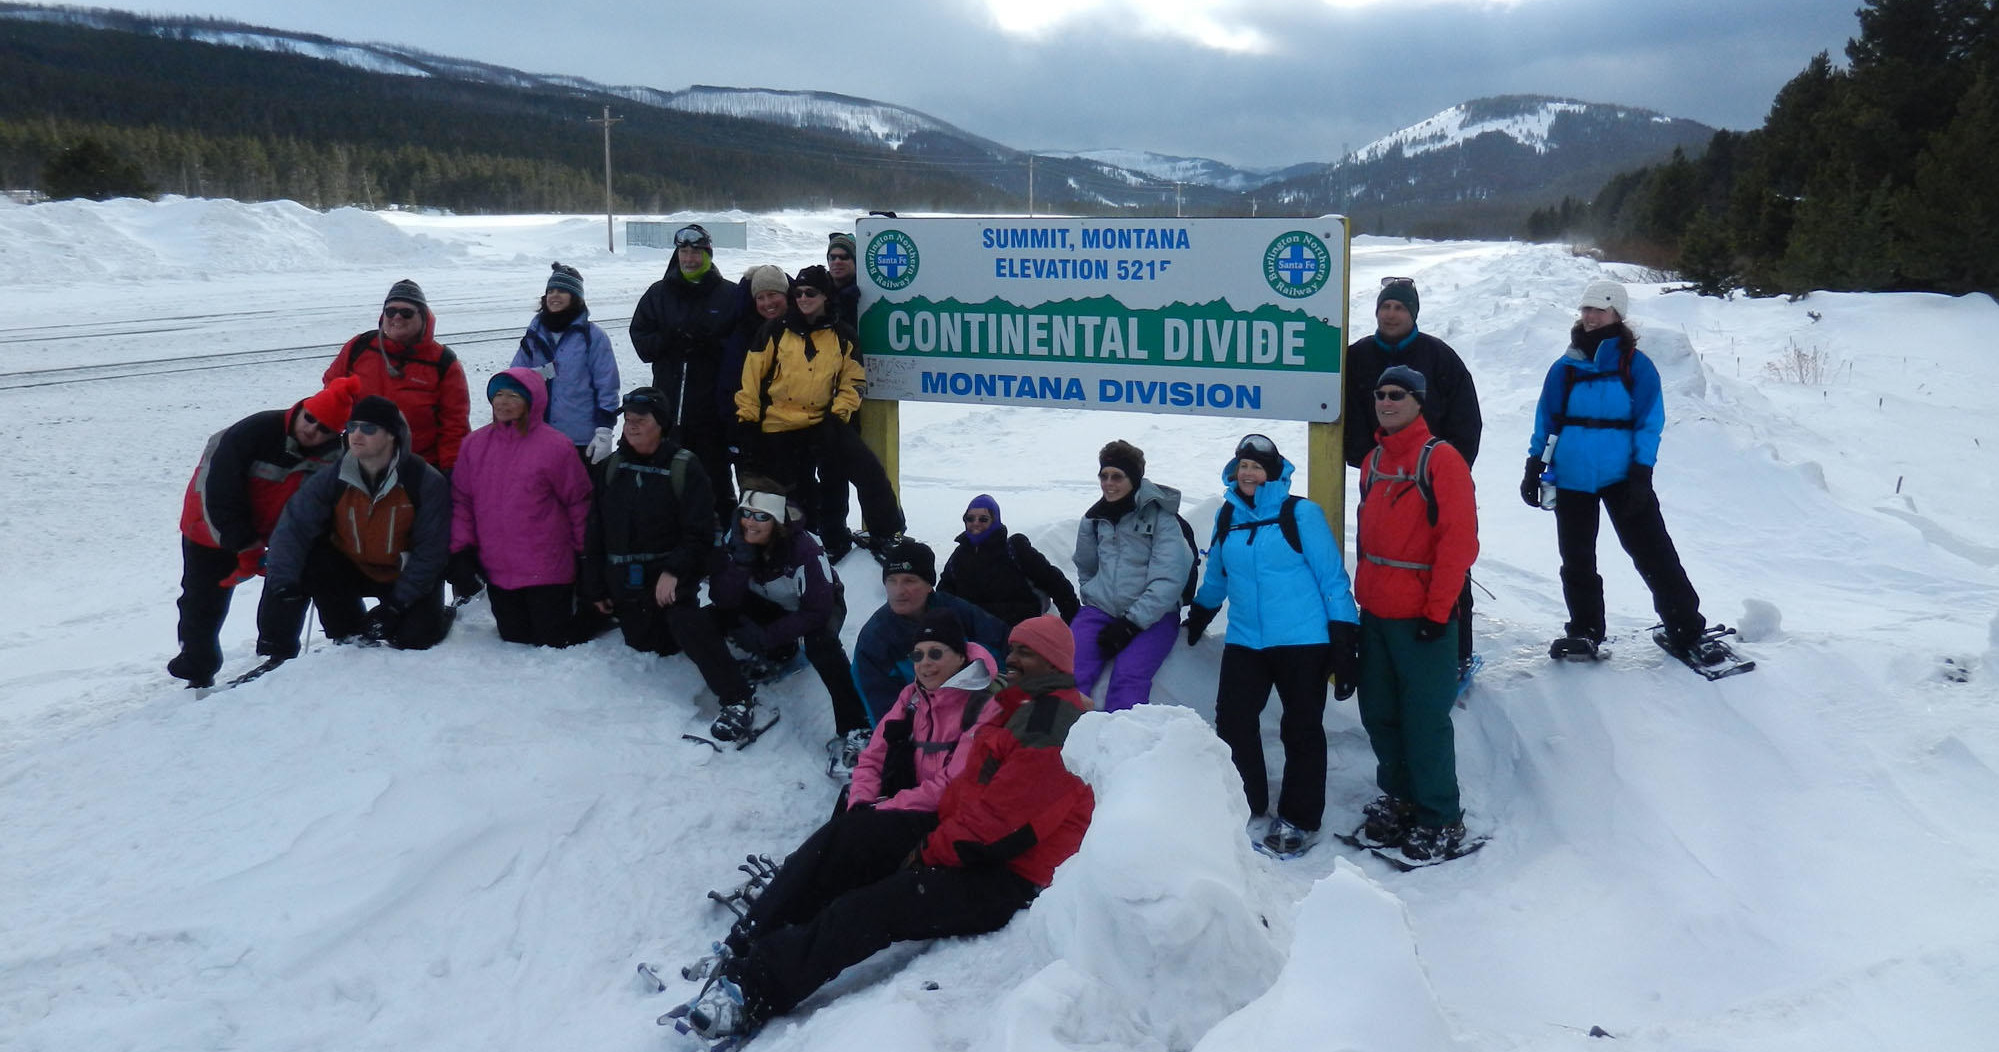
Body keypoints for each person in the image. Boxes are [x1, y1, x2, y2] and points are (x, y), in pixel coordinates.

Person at [676, 613, 1093, 1043]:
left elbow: (1003, 827)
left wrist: (927, 852)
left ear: (1054, 660)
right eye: (1013, 648)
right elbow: (968, 797)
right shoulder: (1019, 709)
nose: (1013, 659)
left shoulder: (1052, 723)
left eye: (1025, 652)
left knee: (869, 908)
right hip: (960, 838)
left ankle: (754, 990)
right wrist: (901, 829)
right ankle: (748, 940)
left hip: (1006, 875)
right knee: (849, 838)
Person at [1524, 280, 1722, 664]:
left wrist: (1641, 473)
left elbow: (1650, 422)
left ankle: (1684, 624)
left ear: (1617, 314)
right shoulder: (1565, 367)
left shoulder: (1636, 365)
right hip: (1572, 476)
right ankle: (1584, 630)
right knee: (1577, 558)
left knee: (1653, 552)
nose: (1591, 316)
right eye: (1586, 309)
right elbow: (1546, 420)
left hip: (1622, 477)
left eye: (1599, 309)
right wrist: (1534, 464)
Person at [1184, 433, 1360, 857]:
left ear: (1274, 471)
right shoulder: (1228, 516)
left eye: (1257, 466)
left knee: (1300, 728)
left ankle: (1299, 818)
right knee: (1233, 719)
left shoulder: (1301, 514)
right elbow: (1218, 575)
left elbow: (1332, 578)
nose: (1248, 472)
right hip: (1247, 639)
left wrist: (1344, 641)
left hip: (1303, 641)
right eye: (1243, 464)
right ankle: (1248, 799)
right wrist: (1202, 612)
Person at [580, 387, 760, 741]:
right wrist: (596, 586)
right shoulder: (610, 469)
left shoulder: (684, 467)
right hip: (626, 581)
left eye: (640, 420)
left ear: (660, 424)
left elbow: (700, 533)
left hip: (670, 578)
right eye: (628, 420)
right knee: (652, 644)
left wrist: (674, 571)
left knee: (685, 621)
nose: (631, 426)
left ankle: (737, 696)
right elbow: (596, 531)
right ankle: (713, 628)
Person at [1352, 365, 1479, 861]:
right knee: (1380, 712)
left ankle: (1440, 815)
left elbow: (1458, 543)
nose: (1386, 402)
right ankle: (1401, 796)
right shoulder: (1374, 459)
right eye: (1380, 393)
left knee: (1424, 719)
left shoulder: (1441, 461)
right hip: (1377, 612)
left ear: (1419, 401)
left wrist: (1437, 609)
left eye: (1397, 394)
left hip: (1423, 617)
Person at [168, 376, 359, 689]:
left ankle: (278, 652)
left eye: (325, 428)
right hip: (210, 526)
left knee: (292, 583)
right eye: (310, 419)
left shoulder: (335, 455)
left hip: (276, 531)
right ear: (301, 410)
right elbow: (219, 491)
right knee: (203, 600)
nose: (313, 430)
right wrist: (244, 545)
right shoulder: (253, 431)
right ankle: (197, 666)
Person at [1344, 277, 1483, 675]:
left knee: (1449, 558)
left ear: (1413, 313)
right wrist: (1368, 457)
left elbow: (1466, 417)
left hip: (1434, 477)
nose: (1391, 314)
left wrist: (1444, 465)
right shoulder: (1358, 357)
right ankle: (1386, 645)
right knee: (1383, 556)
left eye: (1400, 308)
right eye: (1386, 306)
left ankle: (1456, 651)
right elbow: (1349, 415)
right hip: (1382, 473)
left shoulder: (1439, 357)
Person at [255, 396, 453, 660]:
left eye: (369, 428)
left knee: (414, 640)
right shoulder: (332, 477)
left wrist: (396, 605)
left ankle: (439, 615)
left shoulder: (424, 480)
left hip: (403, 573)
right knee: (315, 568)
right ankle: (283, 650)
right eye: (352, 426)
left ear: (392, 435)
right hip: (353, 567)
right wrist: (284, 586)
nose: (357, 434)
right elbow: (293, 529)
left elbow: (432, 551)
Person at [732, 265, 905, 561]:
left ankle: (886, 533)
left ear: (825, 296)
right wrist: (748, 424)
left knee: (869, 473)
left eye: (810, 292)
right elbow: (751, 379)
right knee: (795, 495)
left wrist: (839, 415)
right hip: (779, 426)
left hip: (824, 421)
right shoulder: (774, 331)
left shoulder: (842, 335)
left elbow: (853, 381)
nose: (802, 298)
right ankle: (799, 548)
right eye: (797, 293)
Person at [706, 483, 872, 754]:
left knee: (822, 645)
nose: (751, 522)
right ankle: (755, 675)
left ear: (777, 521)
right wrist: (741, 562)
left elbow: (818, 610)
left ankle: (856, 725)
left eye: (761, 516)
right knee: (706, 620)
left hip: (818, 606)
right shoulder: (735, 541)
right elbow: (721, 597)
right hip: (769, 603)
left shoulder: (804, 549)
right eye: (746, 513)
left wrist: (767, 635)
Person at [448, 368, 593, 647]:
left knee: (551, 639)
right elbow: (462, 500)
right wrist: (461, 549)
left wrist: (585, 554)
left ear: (533, 400)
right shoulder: (474, 445)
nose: (503, 402)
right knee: (514, 638)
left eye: (513, 395)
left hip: (548, 568)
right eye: (498, 394)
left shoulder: (555, 446)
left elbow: (578, 502)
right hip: (500, 568)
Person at [1071, 440, 1193, 713]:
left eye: (1117, 476)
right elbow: (1085, 566)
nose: (1108, 483)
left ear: (1134, 479)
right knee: (1069, 675)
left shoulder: (1162, 519)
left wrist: (1131, 624)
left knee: (1128, 679)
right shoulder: (1093, 520)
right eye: (1103, 476)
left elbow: (1169, 579)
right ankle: (1058, 746)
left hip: (1155, 616)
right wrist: (1093, 595)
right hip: (1100, 610)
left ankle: (1123, 748)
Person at [629, 223, 741, 517]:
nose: (689, 259)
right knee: (667, 481)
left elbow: (742, 346)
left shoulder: (728, 294)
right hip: (668, 409)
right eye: (684, 252)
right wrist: (667, 340)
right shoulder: (659, 293)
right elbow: (641, 338)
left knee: (714, 482)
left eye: (696, 253)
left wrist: (710, 344)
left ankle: (722, 541)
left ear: (709, 255)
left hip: (711, 410)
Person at [852, 538, 1011, 727]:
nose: (898, 591)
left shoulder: (957, 612)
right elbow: (883, 709)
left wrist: (1002, 684)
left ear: (929, 585)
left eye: (909, 581)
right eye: (892, 581)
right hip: (927, 726)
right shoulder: (876, 638)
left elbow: (1006, 646)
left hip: (981, 708)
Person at [323, 278, 471, 473]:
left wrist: (451, 472)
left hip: (418, 467)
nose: (397, 317)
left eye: (406, 312)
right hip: (361, 464)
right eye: (390, 311)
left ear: (424, 317)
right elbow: (331, 395)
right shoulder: (360, 347)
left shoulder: (443, 363)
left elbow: (454, 426)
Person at [511, 262, 621, 464]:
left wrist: (604, 431)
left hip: (579, 439)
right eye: (550, 291)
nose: (554, 296)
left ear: (575, 296)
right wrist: (537, 376)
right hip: (537, 434)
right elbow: (514, 379)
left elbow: (607, 385)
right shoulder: (534, 335)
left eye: (562, 291)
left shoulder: (593, 337)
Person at [938, 494, 1081, 626]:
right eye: (970, 518)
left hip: (1019, 635)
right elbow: (944, 595)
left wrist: (1074, 622)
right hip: (975, 636)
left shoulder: (1015, 550)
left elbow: (1053, 581)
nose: (976, 523)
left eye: (983, 519)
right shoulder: (958, 557)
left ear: (995, 521)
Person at [825, 231, 860, 327]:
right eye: (832, 257)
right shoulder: (818, 291)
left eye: (844, 257)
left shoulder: (867, 292)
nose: (837, 262)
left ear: (855, 261)